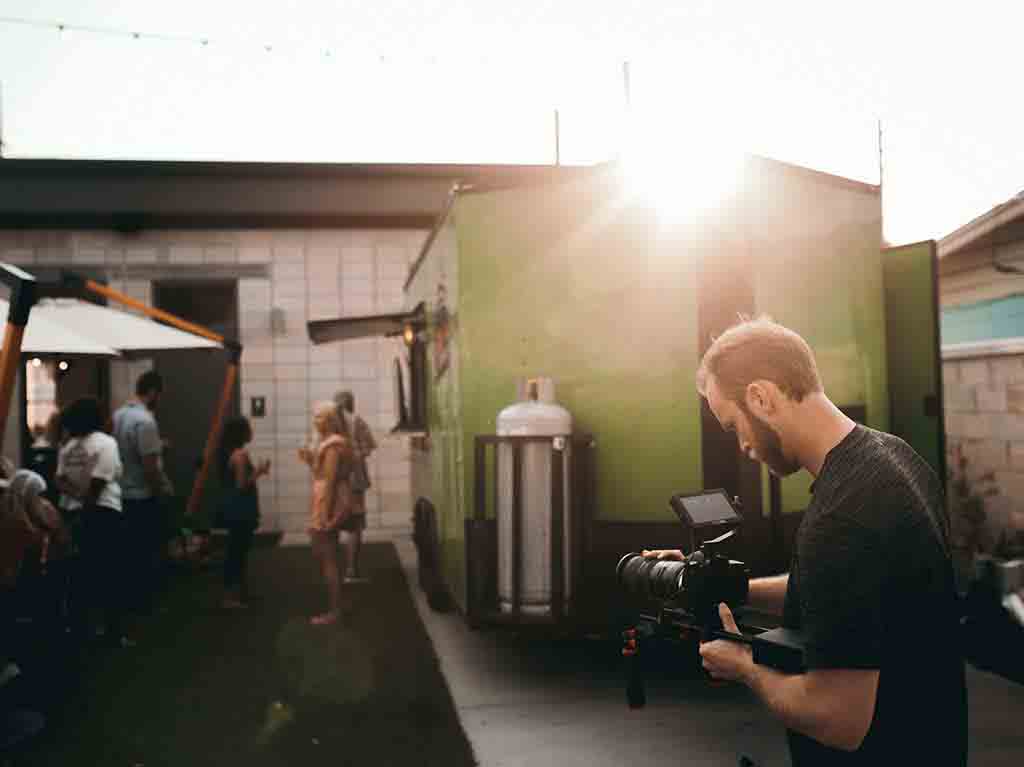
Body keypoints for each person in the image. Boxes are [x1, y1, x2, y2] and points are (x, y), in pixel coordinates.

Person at [643, 317, 966, 766]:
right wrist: (732, 588)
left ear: (761, 398)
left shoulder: (839, 518)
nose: (741, 445)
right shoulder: (894, 458)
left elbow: (837, 718)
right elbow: (848, 592)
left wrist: (743, 666)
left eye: (734, 425)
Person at [55, 397, 128, 647]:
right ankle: (113, 632)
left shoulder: (68, 447)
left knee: (79, 574)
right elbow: (99, 483)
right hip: (103, 513)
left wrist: (75, 497)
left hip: (72, 512)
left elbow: (59, 481)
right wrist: (86, 499)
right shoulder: (106, 444)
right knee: (110, 572)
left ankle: (79, 629)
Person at [112, 370, 169, 614]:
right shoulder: (145, 421)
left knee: (127, 555)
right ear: (153, 392)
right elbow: (149, 466)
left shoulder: (118, 415)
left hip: (119, 494)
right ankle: (144, 605)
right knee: (146, 553)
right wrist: (161, 491)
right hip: (141, 496)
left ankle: (127, 602)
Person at [301, 401, 355, 626]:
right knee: (325, 554)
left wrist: (324, 515)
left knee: (327, 555)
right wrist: (310, 461)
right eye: (314, 417)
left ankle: (335, 610)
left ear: (331, 420)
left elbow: (330, 481)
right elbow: (323, 474)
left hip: (327, 501)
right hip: (325, 499)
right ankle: (338, 604)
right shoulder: (332, 443)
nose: (315, 421)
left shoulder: (333, 445)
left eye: (319, 417)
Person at [217, 415, 270, 609]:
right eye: (248, 428)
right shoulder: (240, 455)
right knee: (237, 551)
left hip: (234, 507)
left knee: (239, 549)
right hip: (241, 508)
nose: (251, 432)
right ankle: (230, 597)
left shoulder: (228, 453)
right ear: (241, 433)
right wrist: (259, 471)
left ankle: (240, 593)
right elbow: (241, 484)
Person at [334, 390, 377, 584]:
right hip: (354, 479)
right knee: (355, 525)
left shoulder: (328, 423)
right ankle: (351, 570)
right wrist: (358, 454)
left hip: (333, 479)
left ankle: (331, 569)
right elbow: (369, 446)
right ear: (352, 403)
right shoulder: (357, 420)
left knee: (333, 523)